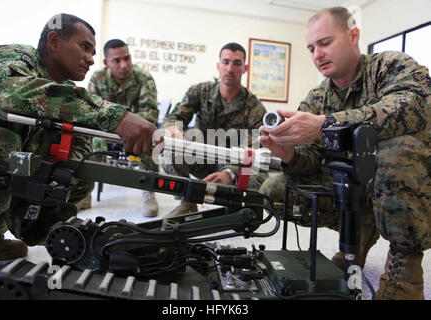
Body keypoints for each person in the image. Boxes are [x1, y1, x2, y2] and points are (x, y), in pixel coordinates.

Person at [259, 7, 430, 300]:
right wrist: (288, 153)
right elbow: (310, 160)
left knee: (395, 151)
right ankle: (358, 238)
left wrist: (326, 124)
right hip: (356, 187)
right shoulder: (317, 97)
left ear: (353, 36)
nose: (317, 55)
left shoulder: (389, 65)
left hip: (407, 180)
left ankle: (404, 274)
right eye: (311, 48)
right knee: (274, 188)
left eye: (325, 43)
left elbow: (413, 107)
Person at [0, 14, 157, 274]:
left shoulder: (64, 89)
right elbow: (8, 96)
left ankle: (5, 233)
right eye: (85, 47)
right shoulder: (13, 58)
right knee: (1, 142)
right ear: (54, 41)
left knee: (81, 167)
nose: (91, 58)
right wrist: (117, 116)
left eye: (94, 52)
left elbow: (81, 142)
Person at [161, 42, 268, 218]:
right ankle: (188, 202)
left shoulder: (253, 106)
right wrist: (172, 128)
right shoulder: (200, 91)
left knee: (259, 175)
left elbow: (257, 147)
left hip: (232, 163)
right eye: (225, 62)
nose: (230, 68)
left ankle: (231, 205)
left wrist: (229, 173)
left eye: (237, 63)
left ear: (245, 68)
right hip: (202, 157)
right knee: (171, 150)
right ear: (218, 66)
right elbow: (175, 116)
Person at [87, 39, 160, 217]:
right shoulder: (98, 79)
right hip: (105, 132)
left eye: (127, 58)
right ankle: (86, 190)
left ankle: (148, 190)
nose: (124, 65)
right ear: (106, 63)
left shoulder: (143, 78)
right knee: (90, 139)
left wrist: (130, 127)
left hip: (135, 131)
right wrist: (117, 125)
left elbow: (150, 112)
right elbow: (90, 111)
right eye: (117, 60)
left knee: (149, 137)